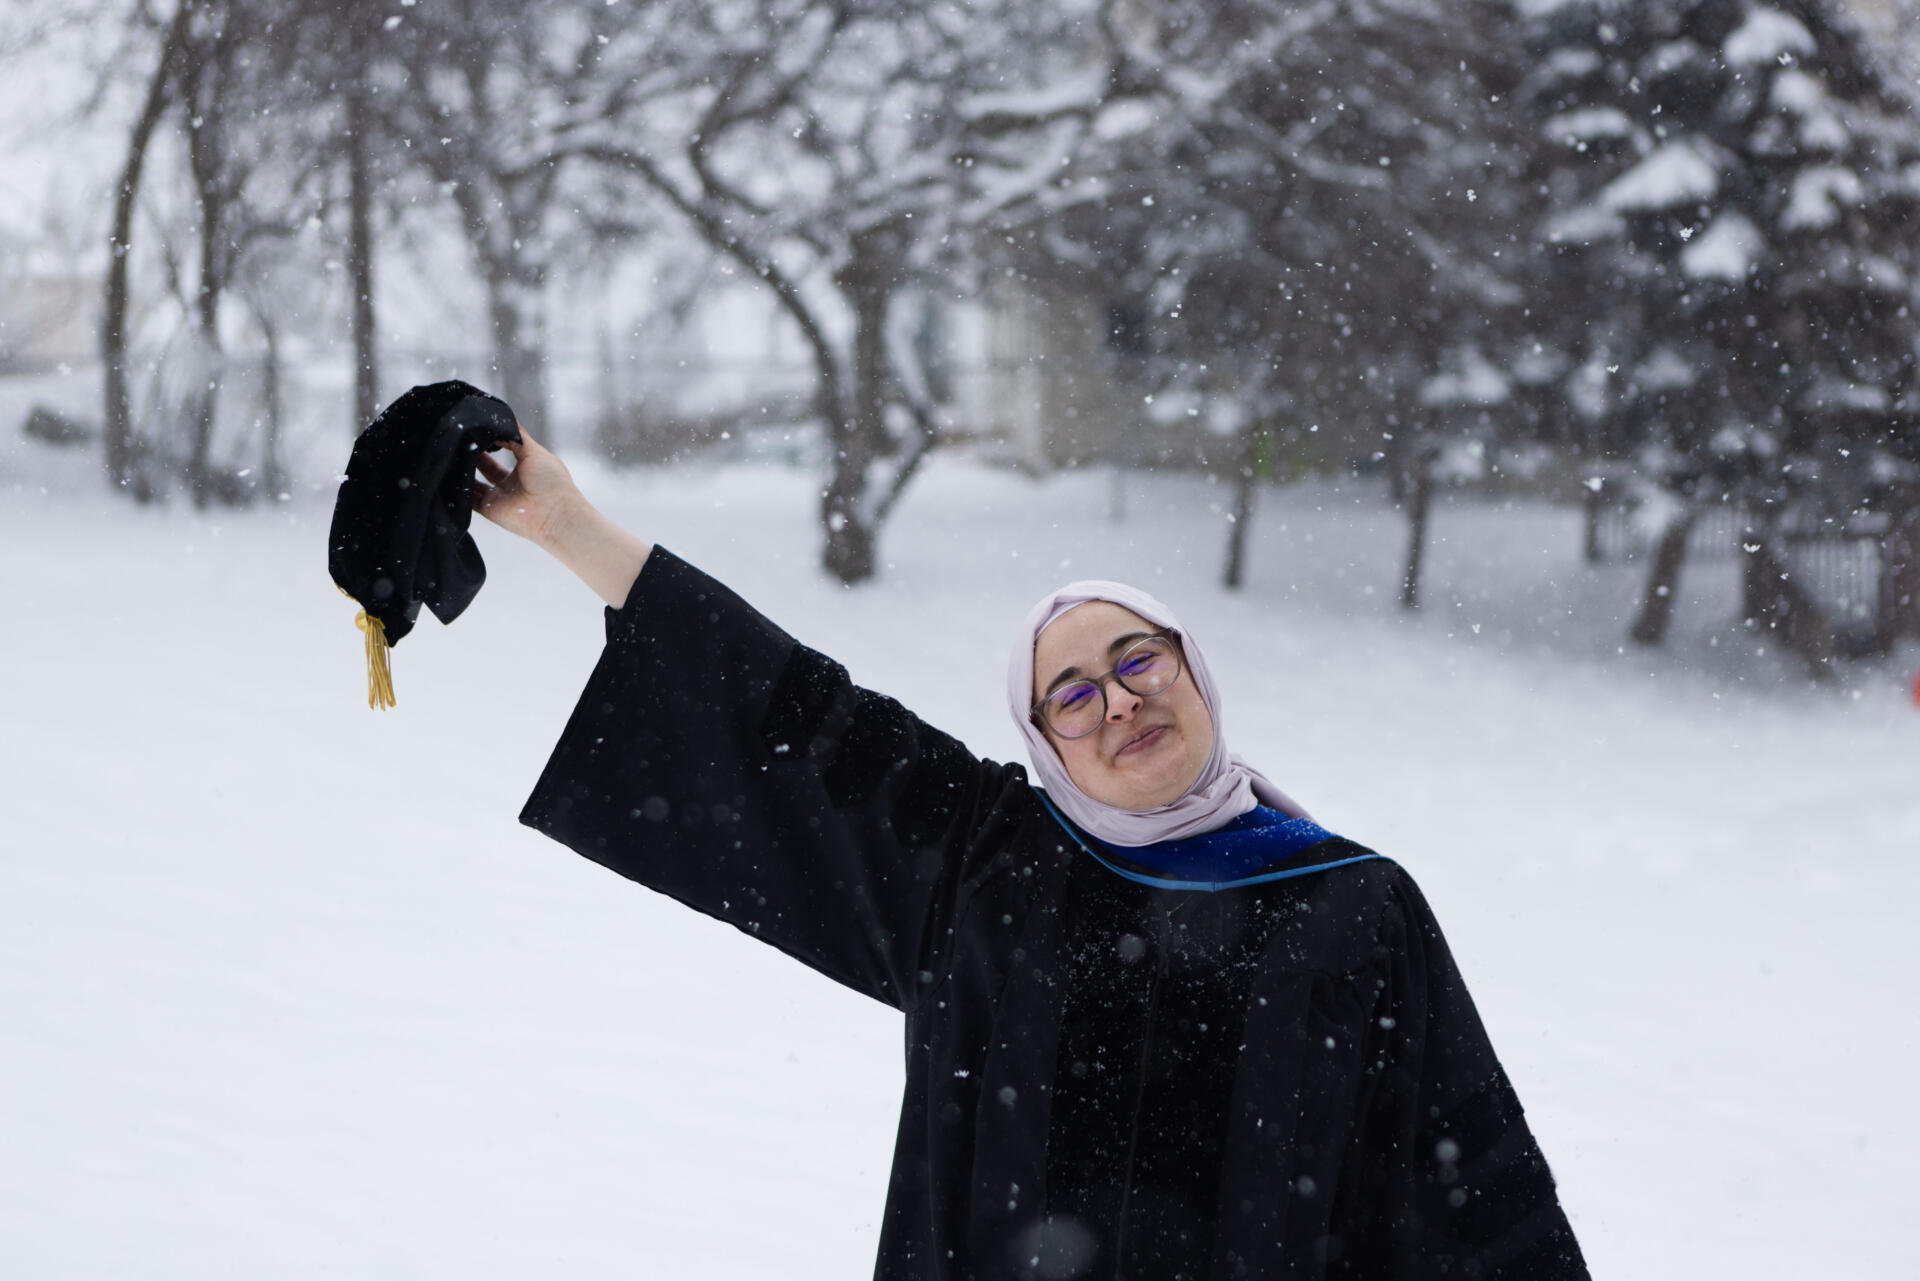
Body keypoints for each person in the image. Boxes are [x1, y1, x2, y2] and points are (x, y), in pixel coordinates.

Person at [473, 430, 1590, 1281]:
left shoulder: (1354, 903)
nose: (1118, 700)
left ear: (1193, 670)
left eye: (1137, 657)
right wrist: (570, 525)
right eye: (1072, 691)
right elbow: (789, 709)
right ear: (1045, 742)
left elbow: (1471, 1181)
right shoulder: (989, 863)